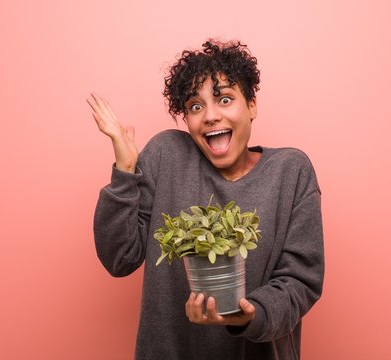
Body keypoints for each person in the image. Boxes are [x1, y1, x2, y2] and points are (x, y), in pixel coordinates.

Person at [87, 40, 324, 360]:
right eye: (195, 106)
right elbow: (119, 258)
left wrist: (249, 315)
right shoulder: (166, 154)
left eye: (225, 99)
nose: (210, 116)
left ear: (252, 105)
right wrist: (126, 171)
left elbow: (300, 281)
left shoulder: (291, 171)